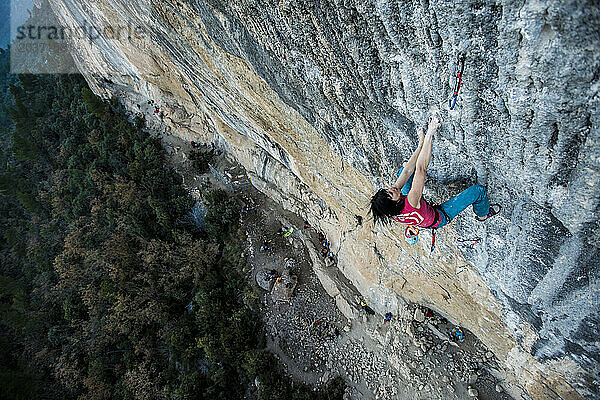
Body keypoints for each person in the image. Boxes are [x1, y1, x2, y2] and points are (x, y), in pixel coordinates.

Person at [370, 112, 500, 230]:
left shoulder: (390, 207)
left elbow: (407, 171)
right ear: (396, 202)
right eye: (391, 194)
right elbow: (421, 168)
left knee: (402, 173)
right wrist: (430, 133)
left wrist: (420, 144)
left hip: (421, 212)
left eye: (387, 190)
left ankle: (421, 149)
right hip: (441, 216)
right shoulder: (411, 201)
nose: (391, 189)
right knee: (478, 191)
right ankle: (483, 215)